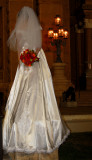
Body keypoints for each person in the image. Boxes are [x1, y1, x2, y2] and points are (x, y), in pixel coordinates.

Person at [3, 6, 70, 159]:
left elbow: (20, 49)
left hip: (27, 63)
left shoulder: (19, 28)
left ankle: (29, 138)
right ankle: (35, 137)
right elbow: (39, 47)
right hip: (36, 61)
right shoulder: (34, 27)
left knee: (31, 95)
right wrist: (31, 57)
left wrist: (24, 60)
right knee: (35, 94)